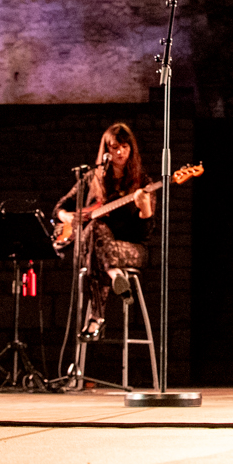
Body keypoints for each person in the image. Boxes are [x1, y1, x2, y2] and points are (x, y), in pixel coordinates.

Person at [53, 123, 157, 343]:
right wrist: (68, 217)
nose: (119, 152)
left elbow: (145, 234)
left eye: (124, 147)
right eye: (114, 147)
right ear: (106, 150)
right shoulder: (92, 178)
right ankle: (114, 276)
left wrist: (145, 208)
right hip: (98, 250)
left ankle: (96, 318)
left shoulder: (143, 183)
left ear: (131, 149)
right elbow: (59, 208)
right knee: (95, 231)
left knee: (94, 238)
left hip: (130, 249)